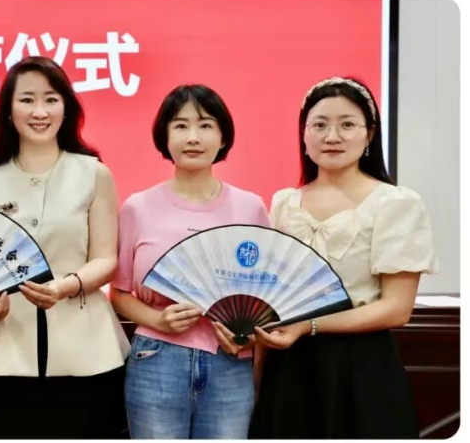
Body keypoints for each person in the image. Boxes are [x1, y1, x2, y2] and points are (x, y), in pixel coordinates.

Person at [248, 76, 437, 438]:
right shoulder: (285, 203)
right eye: (319, 125)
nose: (332, 136)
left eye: (347, 125)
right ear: (304, 135)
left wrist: (308, 326)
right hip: (290, 366)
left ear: (369, 135)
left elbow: (397, 309)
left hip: (362, 365)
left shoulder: (395, 203)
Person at [0, 56, 130, 439]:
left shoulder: (94, 173)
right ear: (8, 111)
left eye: (51, 99)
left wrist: (66, 285)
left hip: (86, 351)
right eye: (27, 100)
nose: (39, 111)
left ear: (66, 108)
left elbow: (106, 259)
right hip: (3, 351)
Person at [109, 85, 270, 439]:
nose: (193, 137)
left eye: (205, 125)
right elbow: (118, 294)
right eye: (180, 126)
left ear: (223, 136)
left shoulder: (251, 208)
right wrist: (158, 319)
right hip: (156, 359)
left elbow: (267, 295)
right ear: (164, 136)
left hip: (230, 360)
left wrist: (248, 335)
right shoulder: (138, 207)